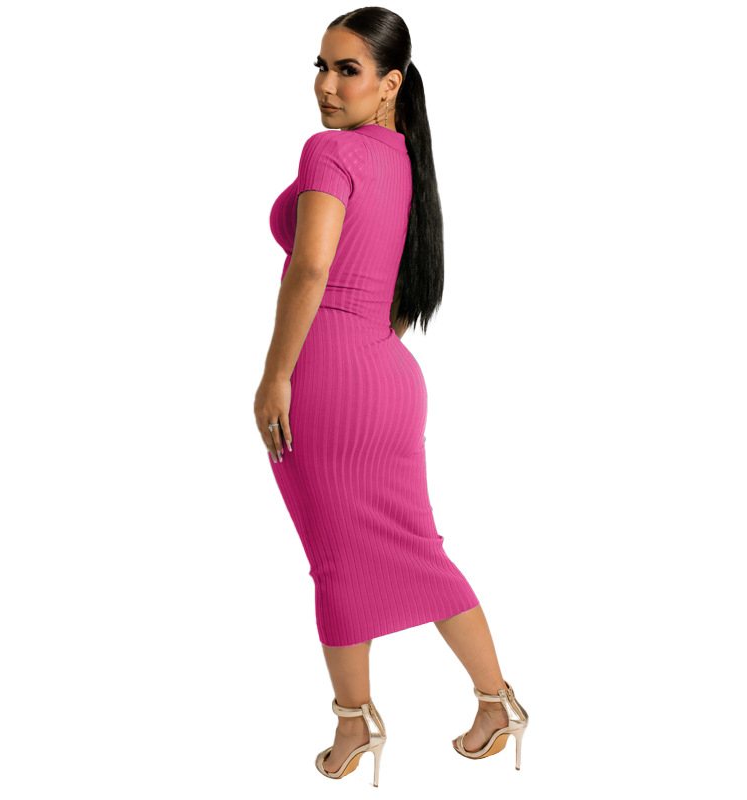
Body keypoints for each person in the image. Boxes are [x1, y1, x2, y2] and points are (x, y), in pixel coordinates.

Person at [253, 7, 529, 786]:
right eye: (320, 65)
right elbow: (401, 276)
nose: (326, 85)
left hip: (326, 379)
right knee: (416, 549)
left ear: (389, 84)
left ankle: (354, 725)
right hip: (388, 374)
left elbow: (312, 268)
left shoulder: (330, 152)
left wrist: (276, 374)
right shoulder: (407, 159)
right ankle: (498, 701)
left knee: (336, 560)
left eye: (348, 69)